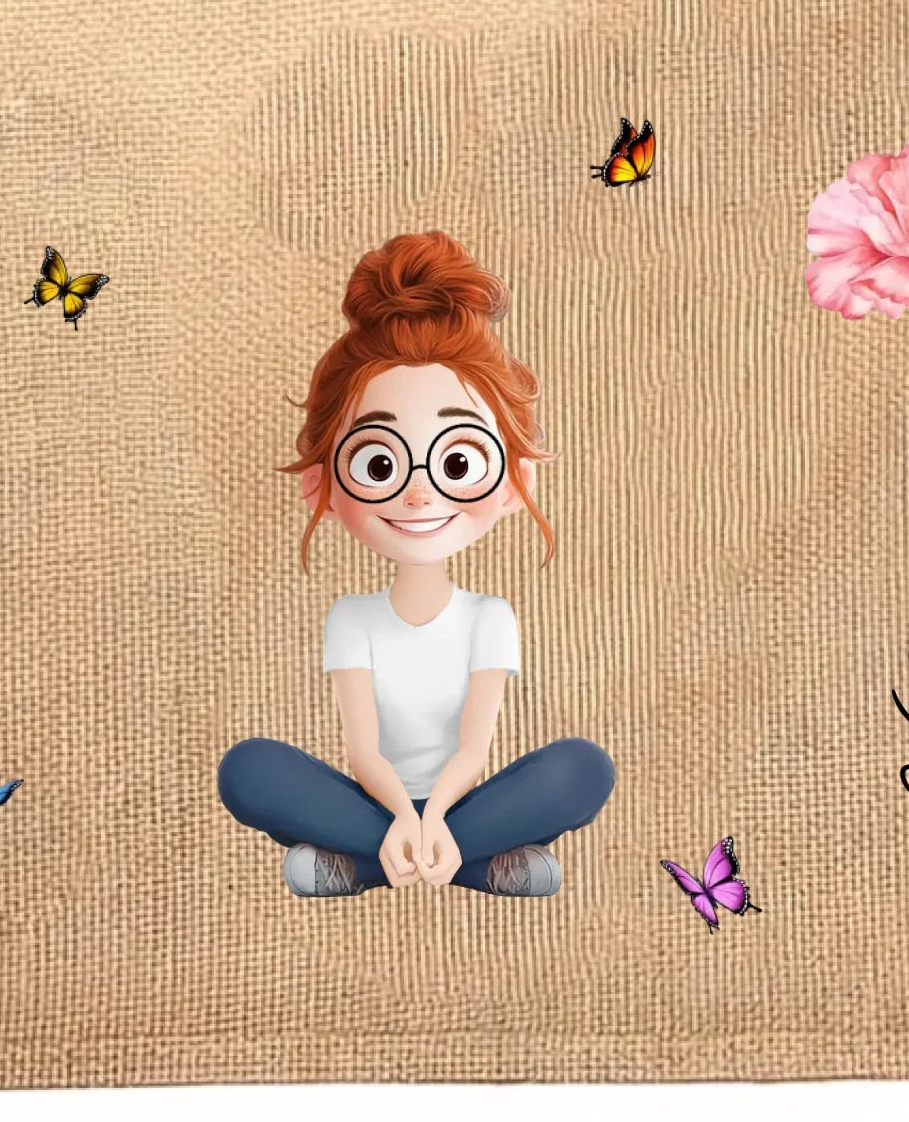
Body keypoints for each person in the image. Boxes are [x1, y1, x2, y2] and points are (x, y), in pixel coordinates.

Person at [218, 231, 615, 897]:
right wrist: (404, 816)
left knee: (583, 768)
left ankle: (368, 865)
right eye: (379, 464)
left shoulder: (489, 617)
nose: (420, 493)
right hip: (376, 805)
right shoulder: (353, 619)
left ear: (514, 484)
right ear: (323, 488)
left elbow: (474, 749)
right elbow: (363, 751)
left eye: (458, 461)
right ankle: (472, 863)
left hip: (464, 803)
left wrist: (434, 821)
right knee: (249, 769)